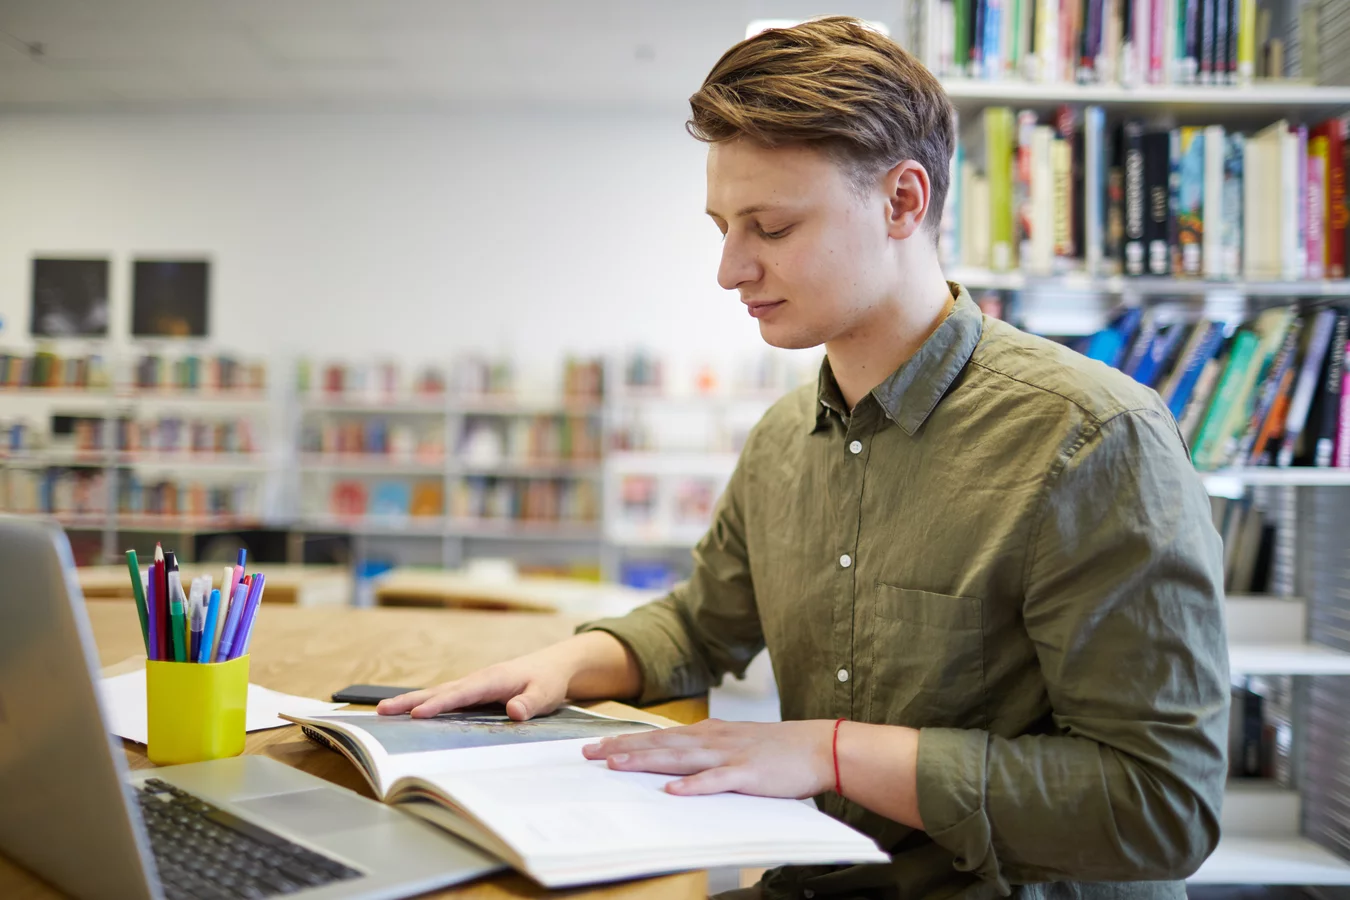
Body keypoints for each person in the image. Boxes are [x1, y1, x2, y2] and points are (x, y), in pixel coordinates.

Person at [379, 16, 1229, 900]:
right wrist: (563, 664)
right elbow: (704, 625)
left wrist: (830, 751)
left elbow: (1161, 807)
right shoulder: (787, 437)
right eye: (721, 226)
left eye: (771, 227)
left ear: (903, 202)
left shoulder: (1092, 437)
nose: (729, 269)